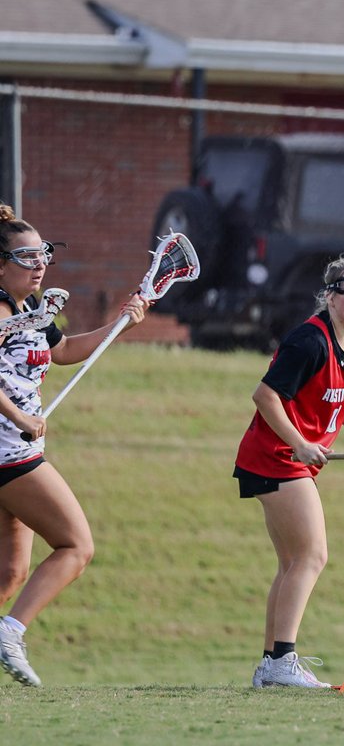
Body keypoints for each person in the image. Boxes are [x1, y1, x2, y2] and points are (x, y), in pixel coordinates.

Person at [0, 204, 148, 687]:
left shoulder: (32, 311)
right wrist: (20, 415)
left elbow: (61, 352)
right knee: (76, 546)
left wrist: (120, 325)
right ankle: (11, 633)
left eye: (44, 253)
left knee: (10, 571)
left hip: (16, 448)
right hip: (8, 448)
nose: (40, 263)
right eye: (26, 257)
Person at [233, 257, 344, 689]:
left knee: (291, 563)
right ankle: (283, 661)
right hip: (277, 457)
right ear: (330, 296)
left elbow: (331, 397)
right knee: (312, 556)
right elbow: (265, 396)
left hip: (284, 459)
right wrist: (300, 444)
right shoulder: (309, 340)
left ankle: (270, 666)